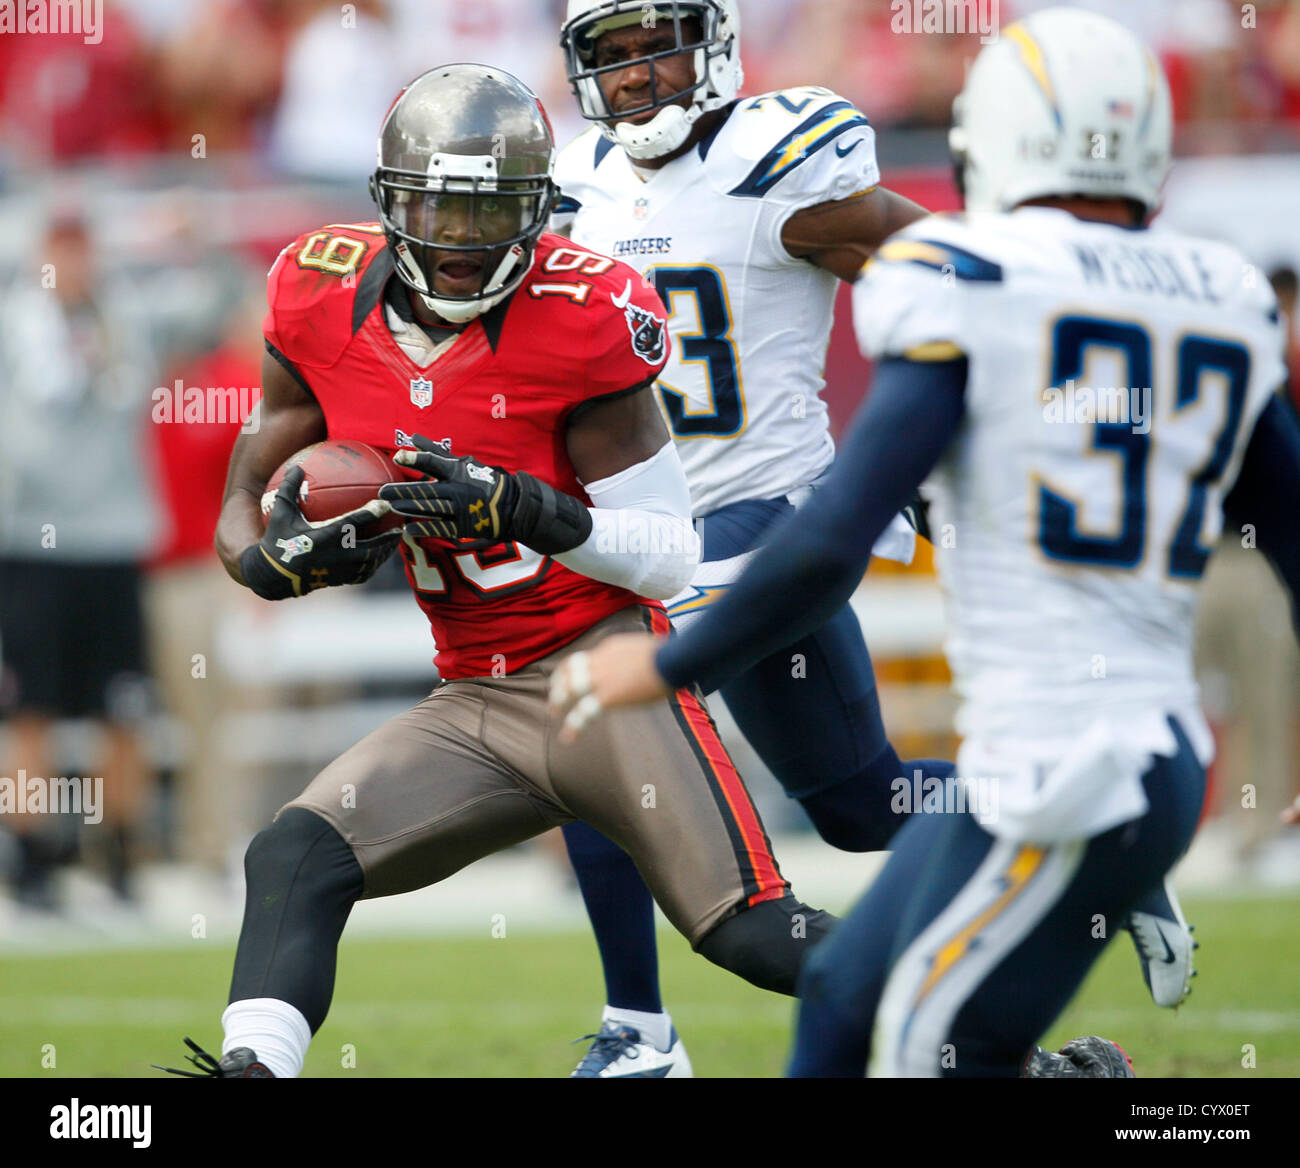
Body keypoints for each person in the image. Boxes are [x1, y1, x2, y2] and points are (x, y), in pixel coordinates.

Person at [549, 7, 1300, 1076]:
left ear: (711, 45)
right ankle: (1109, 886)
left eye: (655, 44)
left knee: (588, 709)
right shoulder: (575, 187)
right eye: (611, 55)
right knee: (863, 804)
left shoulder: (772, 163)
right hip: (672, 528)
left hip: (779, 514)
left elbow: (956, 275)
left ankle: (638, 1032)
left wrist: (977, 420)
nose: (635, 75)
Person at [165, 64, 834, 1078]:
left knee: (748, 935)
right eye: (439, 205)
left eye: (488, 212)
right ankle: (252, 1073)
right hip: (473, 697)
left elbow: (666, 556)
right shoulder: (316, 294)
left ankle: (1024, 1057)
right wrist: (265, 564)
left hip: (604, 678)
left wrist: (530, 509)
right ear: (391, 202)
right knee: (293, 856)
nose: (462, 237)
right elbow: (245, 485)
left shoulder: (583, 312)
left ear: (536, 211)